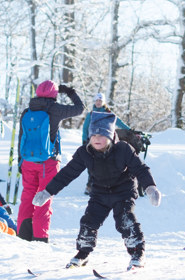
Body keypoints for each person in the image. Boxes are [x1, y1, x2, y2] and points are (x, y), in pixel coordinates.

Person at [31, 111, 161, 270]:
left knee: (125, 219)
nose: (97, 139)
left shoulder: (123, 149)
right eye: (93, 136)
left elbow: (140, 169)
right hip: (100, 192)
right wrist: (48, 191)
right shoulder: (85, 152)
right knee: (88, 221)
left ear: (111, 136)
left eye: (102, 135)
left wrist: (150, 187)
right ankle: (82, 254)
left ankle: (137, 253)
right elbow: (67, 173)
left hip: (123, 191)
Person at [16, 80, 84, 242]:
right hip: (48, 162)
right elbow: (80, 109)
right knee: (43, 199)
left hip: (27, 162)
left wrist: (20, 160)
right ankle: (40, 238)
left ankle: (23, 236)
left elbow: (21, 137)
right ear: (54, 94)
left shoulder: (27, 111)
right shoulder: (55, 109)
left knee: (27, 198)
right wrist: (70, 92)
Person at [81, 92, 131, 194]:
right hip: (91, 142)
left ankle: (103, 186)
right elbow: (85, 128)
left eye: (100, 101)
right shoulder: (90, 114)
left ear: (103, 102)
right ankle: (90, 185)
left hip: (105, 143)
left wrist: (130, 130)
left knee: (103, 165)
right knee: (91, 164)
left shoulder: (108, 113)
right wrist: (84, 141)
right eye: (97, 100)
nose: (98, 102)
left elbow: (119, 122)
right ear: (95, 102)